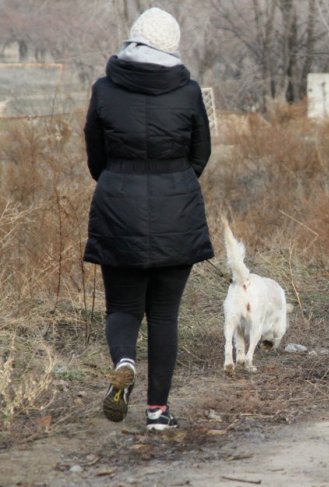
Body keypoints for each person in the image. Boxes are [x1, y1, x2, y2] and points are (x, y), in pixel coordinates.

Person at [83, 7, 213, 430]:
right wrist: (173, 181)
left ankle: (124, 361)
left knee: (122, 307)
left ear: (133, 40)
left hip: (118, 209)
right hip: (177, 210)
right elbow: (200, 153)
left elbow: (95, 157)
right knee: (164, 316)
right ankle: (158, 412)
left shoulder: (104, 89)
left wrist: (121, 182)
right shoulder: (189, 91)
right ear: (172, 46)